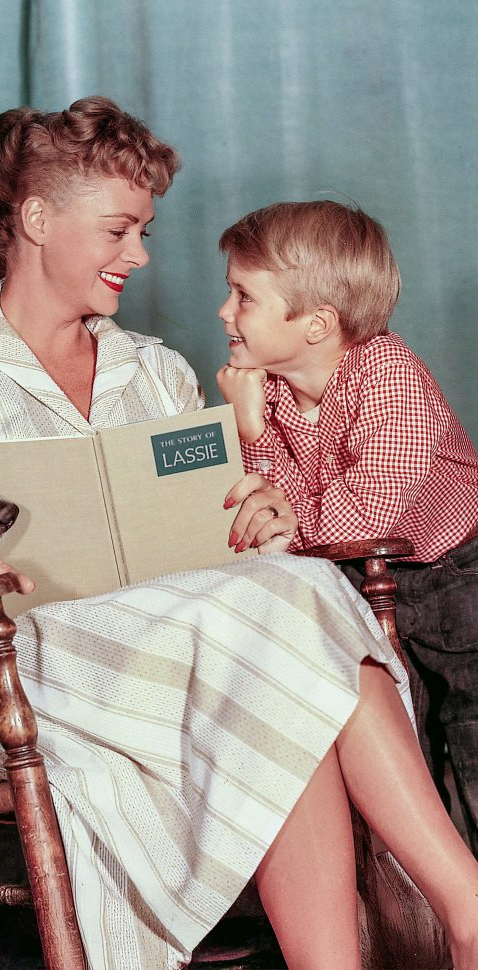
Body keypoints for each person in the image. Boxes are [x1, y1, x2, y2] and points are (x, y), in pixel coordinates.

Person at [0, 98, 478, 970]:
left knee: (285, 650)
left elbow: (222, 547)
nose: (141, 255)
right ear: (36, 219)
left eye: (143, 232)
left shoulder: (153, 369)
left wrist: (261, 518)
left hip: (176, 640)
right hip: (0, 654)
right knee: (279, 640)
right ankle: (468, 903)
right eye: (119, 231)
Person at [216, 200, 478, 858]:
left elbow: (364, 514)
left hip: (458, 572)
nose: (224, 311)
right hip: (363, 580)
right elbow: (267, 514)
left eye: (243, 296)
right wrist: (251, 429)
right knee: (402, 750)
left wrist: (289, 519)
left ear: (317, 324)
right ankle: (427, 903)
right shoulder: (269, 392)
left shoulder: (389, 374)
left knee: (475, 732)